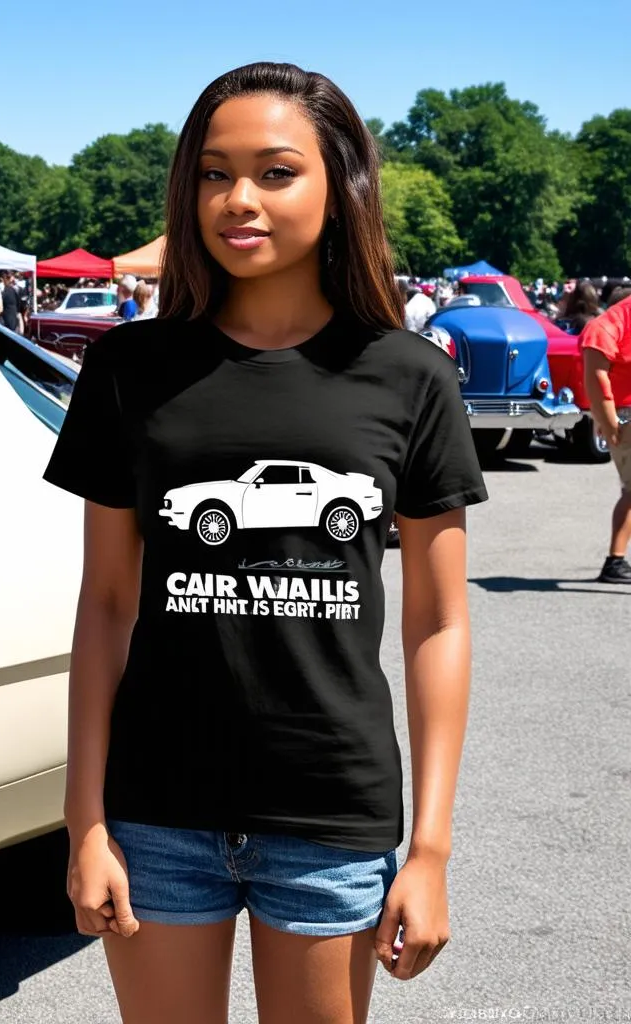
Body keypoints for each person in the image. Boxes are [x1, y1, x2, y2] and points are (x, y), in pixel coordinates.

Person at [43, 61, 487, 1023]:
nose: (238, 199)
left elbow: (439, 622)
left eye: (275, 171)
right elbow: (107, 606)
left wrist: (432, 851)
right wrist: (85, 822)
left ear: (340, 185)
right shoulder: (129, 369)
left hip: (329, 816)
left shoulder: (409, 377)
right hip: (155, 814)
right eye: (213, 173)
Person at [579, 295, 631, 584]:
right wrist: (608, 420)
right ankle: (614, 562)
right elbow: (595, 375)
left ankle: (616, 561)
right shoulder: (610, 323)